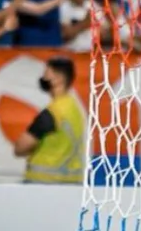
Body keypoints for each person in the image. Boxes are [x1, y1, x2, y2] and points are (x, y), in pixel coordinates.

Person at [13, 56, 86, 184]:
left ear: (59, 79)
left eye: (46, 74)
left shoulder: (52, 113)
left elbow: (21, 147)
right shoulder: (75, 109)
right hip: (71, 182)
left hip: (44, 184)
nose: (43, 78)